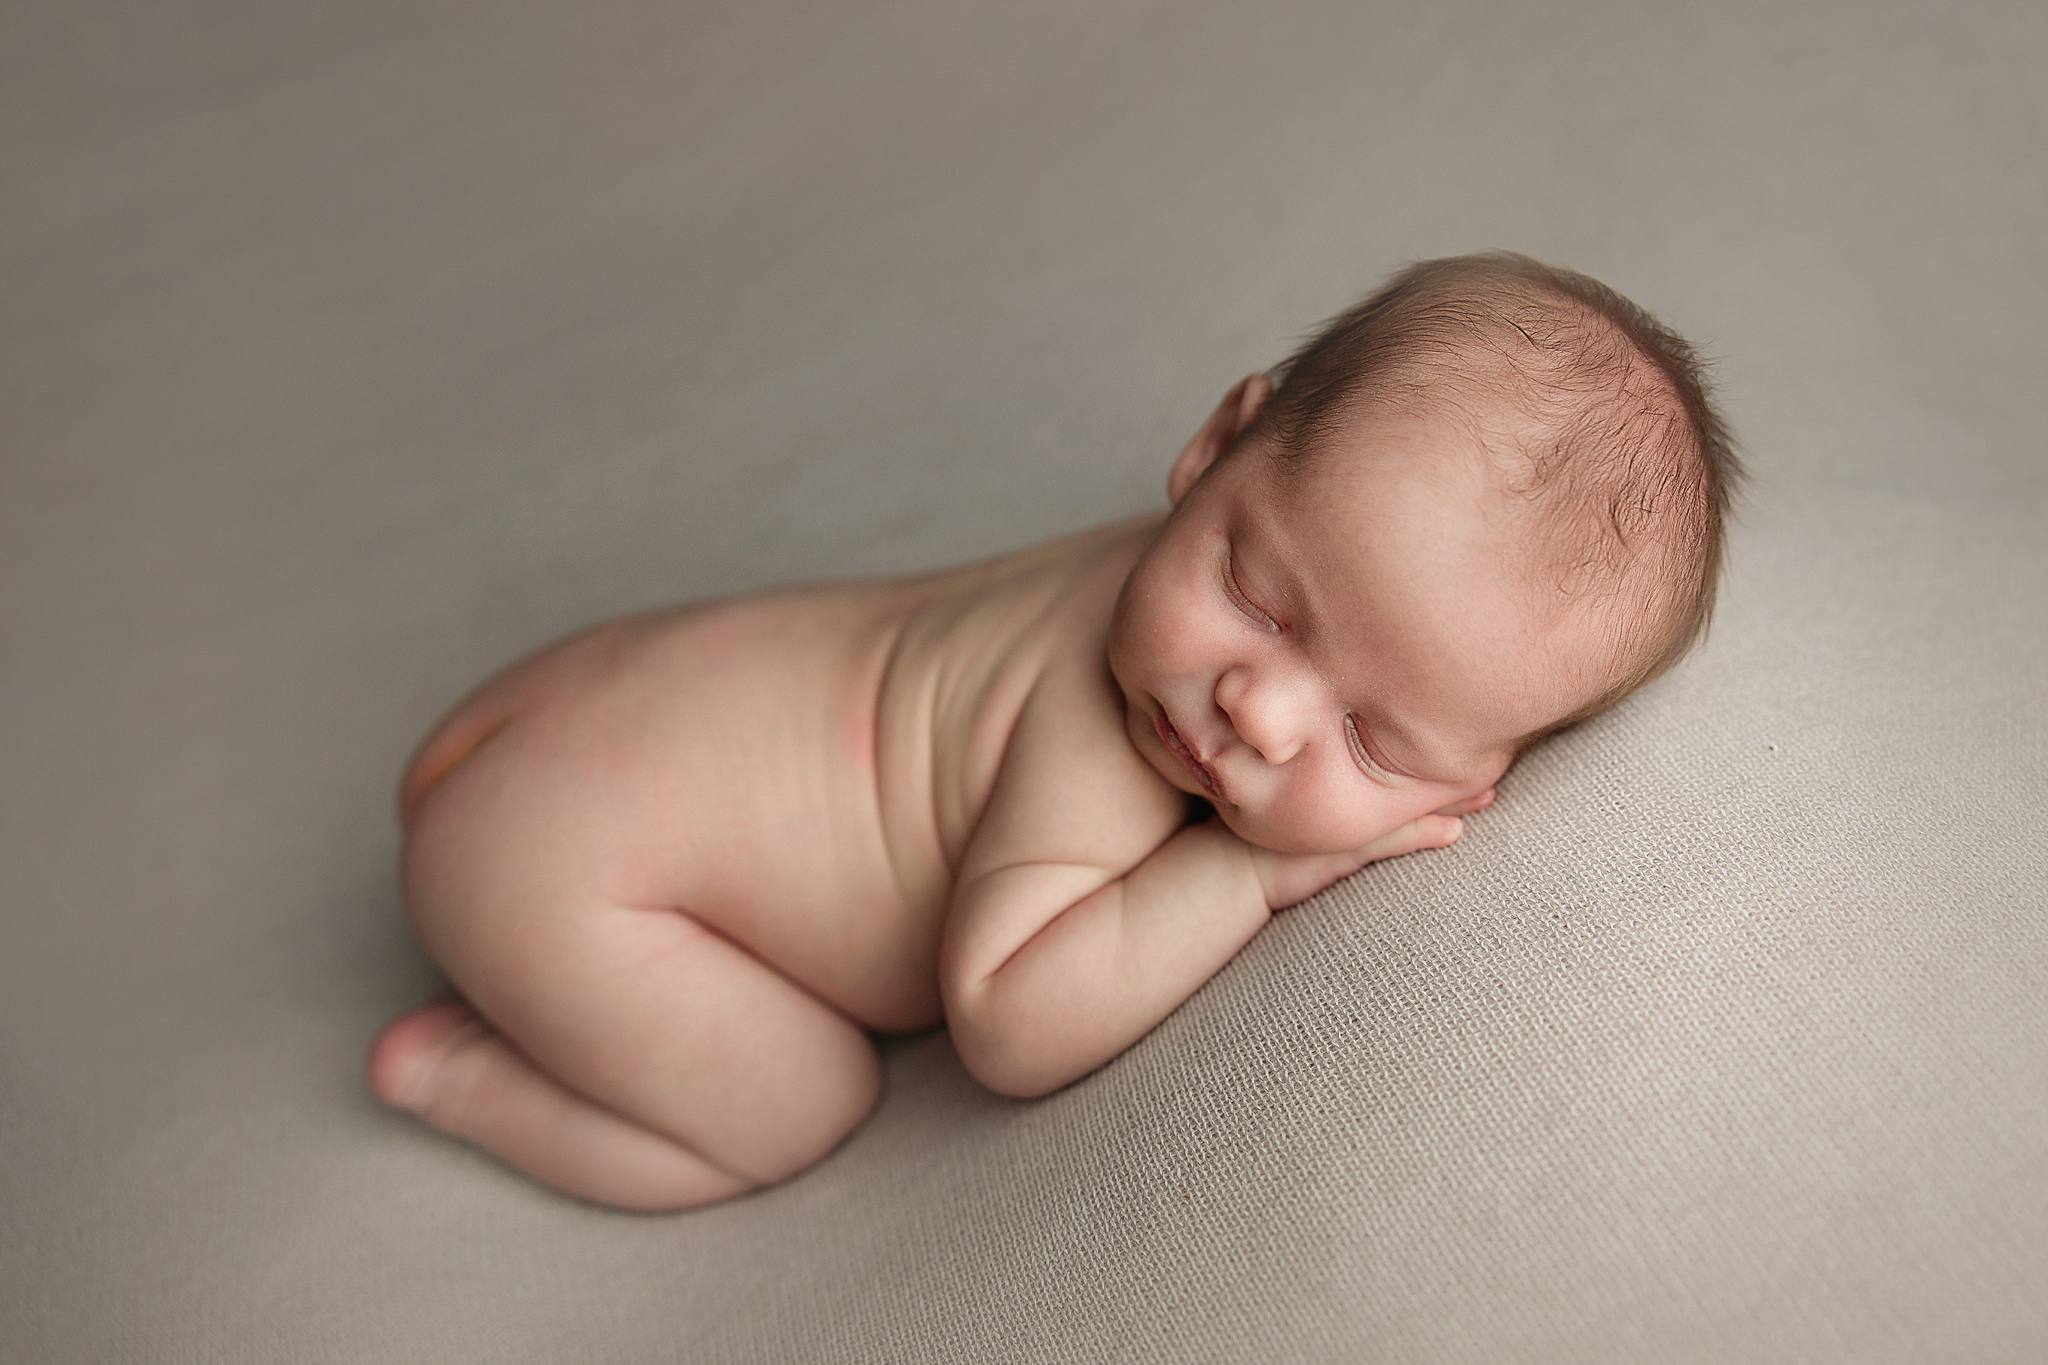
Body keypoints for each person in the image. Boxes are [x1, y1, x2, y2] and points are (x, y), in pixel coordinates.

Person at [367, 249, 1745, 1212]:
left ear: (1493, 772)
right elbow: (1009, 1017)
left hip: (570, 708)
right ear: (1213, 450)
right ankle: (457, 1077)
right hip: (554, 861)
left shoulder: (1164, 585)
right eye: (1256, 594)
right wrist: (1244, 870)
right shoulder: (1098, 728)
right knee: (798, 1107)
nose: (1254, 710)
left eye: (1375, 744)